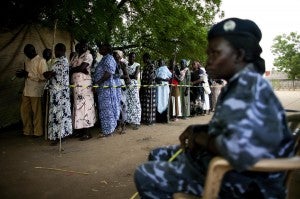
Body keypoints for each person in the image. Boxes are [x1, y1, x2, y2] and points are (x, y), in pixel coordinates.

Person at [134, 18, 294, 199]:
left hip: (245, 183)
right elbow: (230, 129)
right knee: (159, 154)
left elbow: (235, 149)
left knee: (145, 174)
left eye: (215, 54)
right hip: (233, 169)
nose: (208, 61)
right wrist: (198, 129)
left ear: (239, 55)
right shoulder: (240, 84)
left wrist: (199, 137)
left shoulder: (247, 89)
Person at [15, 44, 48, 137]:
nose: (26, 55)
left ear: (32, 51)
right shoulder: (27, 61)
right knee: (24, 111)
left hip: (36, 90)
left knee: (36, 112)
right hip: (26, 89)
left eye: (27, 53)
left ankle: (38, 132)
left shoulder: (41, 61)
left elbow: (43, 77)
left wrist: (28, 74)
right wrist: (23, 74)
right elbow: (27, 75)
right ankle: (27, 130)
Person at [44, 43, 72, 145]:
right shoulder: (59, 61)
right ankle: (59, 134)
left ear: (60, 50)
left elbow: (51, 74)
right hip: (58, 92)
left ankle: (59, 136)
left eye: (56, 50)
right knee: (60, 113)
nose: (54, 53)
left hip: (59, 93)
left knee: (59, 114)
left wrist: (48, 73)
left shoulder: (62, 62)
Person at [69, 41, 96, 140]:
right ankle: (79, 130)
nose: (84, 47)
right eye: (81, 46)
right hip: (76, 85)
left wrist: (76, 69)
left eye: (85, 46)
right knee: (77, 107)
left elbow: (82, 67)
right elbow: (71, 67)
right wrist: (78, 69)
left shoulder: (88, 56)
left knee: (86, 108)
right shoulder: (75, 56)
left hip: (85, 86)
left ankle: (87, 133)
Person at [94, 43, 120, 137]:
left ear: (107, 49)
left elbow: (108, 73)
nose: (100, 49)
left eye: (102, 48)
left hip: (107, 88)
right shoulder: (104, 58)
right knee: (104, 110)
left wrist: (98, 82)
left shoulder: (109, 58)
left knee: (108, 110)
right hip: (103, 89)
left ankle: (109, 131)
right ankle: (107, 129)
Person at [113, 50, 129, 134]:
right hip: (114, 87)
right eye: (114, 55)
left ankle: (123, 126)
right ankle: (118, 125)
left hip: (121, 87)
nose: (116, 57)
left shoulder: (122, 64)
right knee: (116, 106)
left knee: (123, 106)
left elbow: (127, 76)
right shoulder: (112, 64)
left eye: (117, 55)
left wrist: (117, 76)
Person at [126, 52, 142, 130]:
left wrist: (126, 76)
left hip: (134, 86)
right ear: (128, 57)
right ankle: (129, 120)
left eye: (133, 57)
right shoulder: (126, 65)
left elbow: (135, 76)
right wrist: (127, 76)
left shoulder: (137, 65)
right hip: (127, 86)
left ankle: (137, 122)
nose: (132, 58)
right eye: (130, 57)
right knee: (128, 103)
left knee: (136, 103)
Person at [140, 53, 156, 125]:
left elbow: (152, 76)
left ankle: (150, 121)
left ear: (147, 58)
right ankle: (145, 119)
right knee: (145, 103)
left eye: (143, 58)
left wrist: (148, 85)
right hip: (144, 86)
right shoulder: (145, 66)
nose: (143, 60)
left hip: (150, 88)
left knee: (150, 103)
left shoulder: (151, 65)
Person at [155, 59, 172, 123]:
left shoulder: (165, 69)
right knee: (158, 100)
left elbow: (170, 77)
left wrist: (163, 79)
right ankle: (159, 118)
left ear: (163, 63)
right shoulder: (157, 69)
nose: (160, 63)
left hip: (164, 88)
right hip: (159, 88)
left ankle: (165, 118)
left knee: (165, 101)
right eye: (159, 62)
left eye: (161, 62)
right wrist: (158, 79)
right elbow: (155, 78)